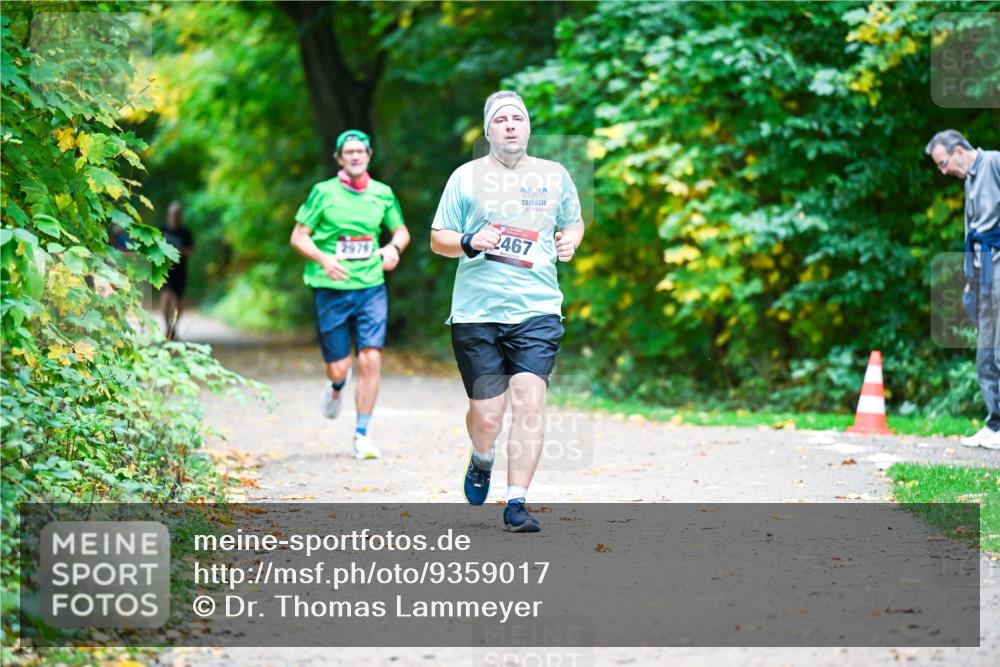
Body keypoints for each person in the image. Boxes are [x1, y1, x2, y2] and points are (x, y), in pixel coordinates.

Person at [430, 91, 585, 532]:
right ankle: (482, 456)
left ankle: (516, 502)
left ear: (529, 127)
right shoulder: (466, 178)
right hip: (476, 313)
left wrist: (571, 239)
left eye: (518, 117)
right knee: (489, 415)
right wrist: (468, 241)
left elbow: (573, 221)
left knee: (529, 402)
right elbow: (437, 237)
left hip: (537, 310)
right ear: (488, 130)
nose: (511, 125)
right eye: (501, 119)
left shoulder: (554, 176)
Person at [290, 129, 410, 460]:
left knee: (370, 357)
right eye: (349, 152)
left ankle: (362, 433)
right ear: (340, 158)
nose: (355, 156)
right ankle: (337, 386)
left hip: (371, 285)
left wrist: (392, 248)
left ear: (369, 156)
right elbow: (299, 236)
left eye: (361, 151)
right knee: (339, 368)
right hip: (331, 288)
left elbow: (400, 231)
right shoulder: (323, 193)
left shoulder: (382, 194)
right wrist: (324, 258)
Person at [926, 129, 1000, 451]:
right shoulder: (969, 179)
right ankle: (995, 422)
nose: (944, 172)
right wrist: (971, 275)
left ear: (959, 151)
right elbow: (972, 230)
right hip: (983, 271)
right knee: (985, 350)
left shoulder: (995, 163)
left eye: (943, 164)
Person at [160, 201, 194, 340]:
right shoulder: (162, 230)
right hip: (164, 270)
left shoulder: (185, 233)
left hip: (180, 272)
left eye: (177, 214)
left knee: (178, 303)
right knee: (166, 298)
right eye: (173, 214)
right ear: (168, 215)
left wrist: (178, 251)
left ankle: (174, 327)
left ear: (180, 216)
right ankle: (168, 326)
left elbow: (191, 250)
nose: (175, 217)